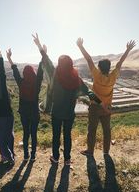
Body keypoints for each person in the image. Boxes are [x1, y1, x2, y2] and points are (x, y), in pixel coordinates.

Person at [32, 33, 102, 166]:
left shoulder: (55, 74)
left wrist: (39, 45)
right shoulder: (76, 77)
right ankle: (67, 160)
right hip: (70, 113)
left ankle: (56, 158)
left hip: (57, 113)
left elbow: (46, 61)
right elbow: (88, 91)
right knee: (67, 136)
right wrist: (100, 102)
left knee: (56, 136)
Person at [76, 38, 136, 157]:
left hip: (95, 107)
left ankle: (90, 151)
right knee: (107, 130)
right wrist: (127, 50)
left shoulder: (97, 76)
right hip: (107, 108)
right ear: (109, 68)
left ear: (99, 68)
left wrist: (80, 46)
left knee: (92, 130)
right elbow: (120, 63)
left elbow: (88, 59)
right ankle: (106, 152)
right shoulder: (113, 77)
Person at [6, 48, 44, 161]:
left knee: (26, 133)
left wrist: (9, 58)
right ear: (33, 72)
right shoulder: (37, 82)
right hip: (34, 112)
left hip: (24, 113)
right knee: (34, 134)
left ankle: (26, 155)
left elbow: (15, 71)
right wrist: (43, 54)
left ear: (24, 73)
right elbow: (41, 70)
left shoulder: (21, 82)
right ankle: (33, 156)